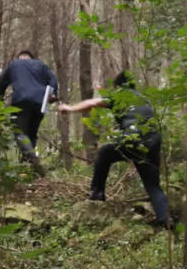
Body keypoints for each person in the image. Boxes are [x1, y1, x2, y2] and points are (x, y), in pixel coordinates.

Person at [58, 71, 170, 227]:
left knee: (104, 152)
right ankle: (165, 219)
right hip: (153, 141)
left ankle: (97, 193)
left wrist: (69, 108)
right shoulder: (144, 99)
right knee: (153, 186)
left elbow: (92, 103)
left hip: (134, 137)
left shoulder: (121, 95)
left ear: (119, 86)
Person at [0, 50, 58, 176]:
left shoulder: (14, 64)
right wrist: (53, 93)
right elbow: (53, 79)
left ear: (20, 58)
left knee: (20, 132)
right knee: (32, 134)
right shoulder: (41, 65)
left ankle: (32, 159)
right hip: (40, 102)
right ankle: (28, 169)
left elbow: (1, 83)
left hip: (21, 101)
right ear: (31, 58)